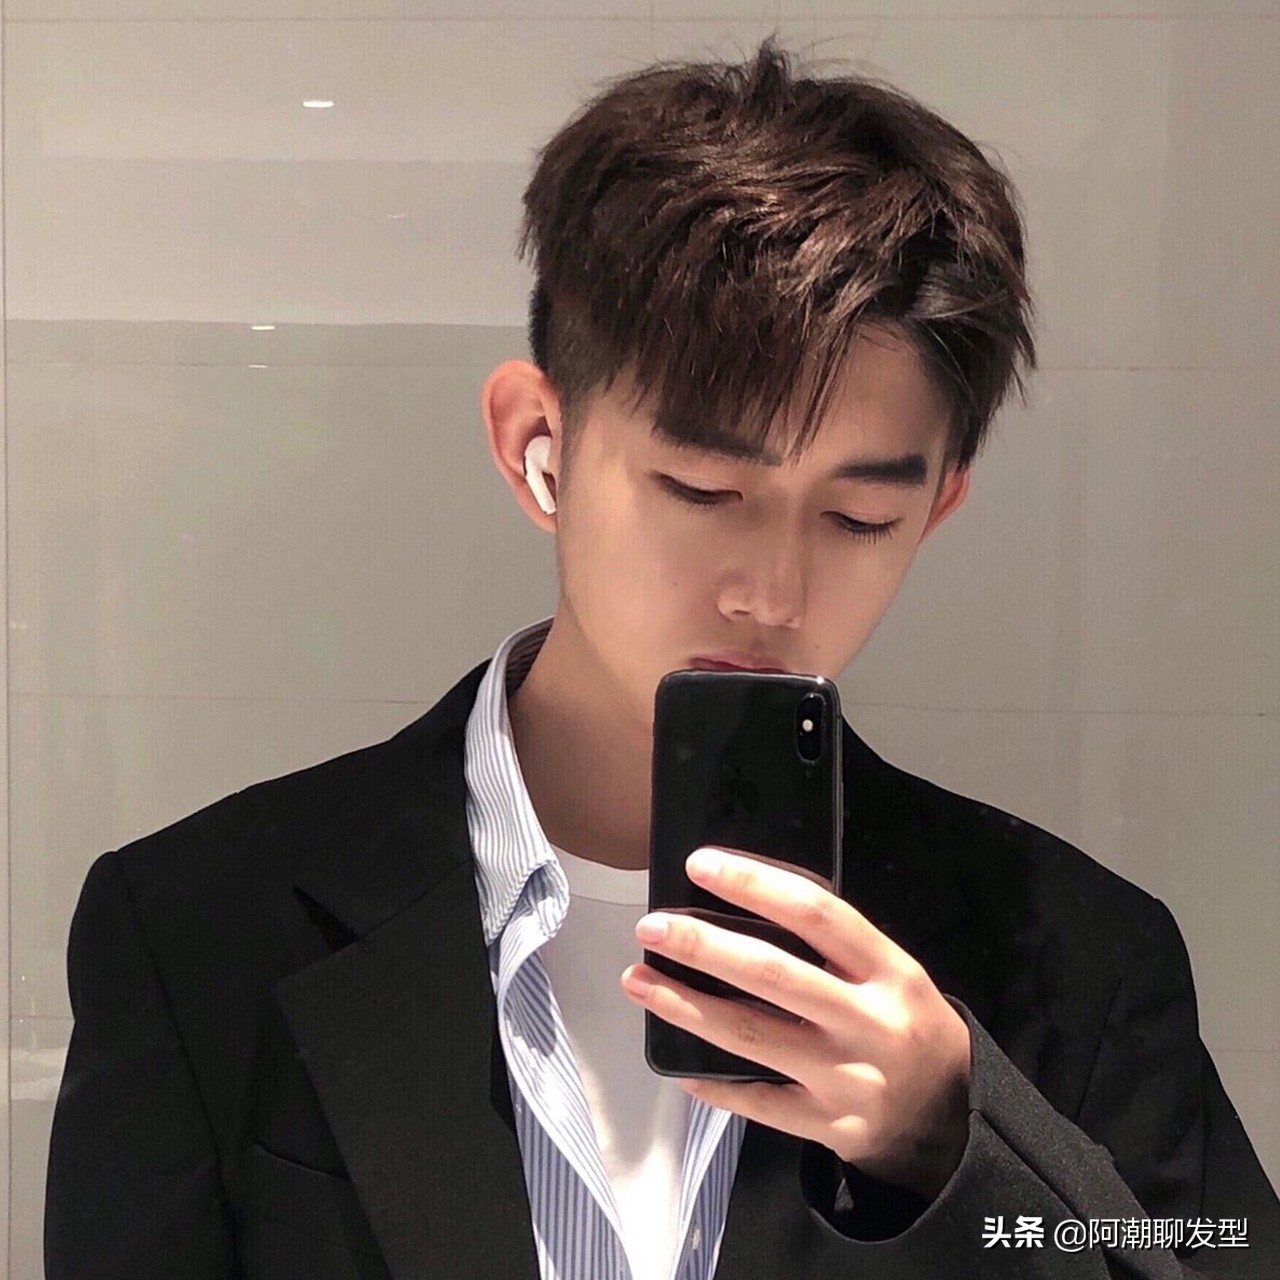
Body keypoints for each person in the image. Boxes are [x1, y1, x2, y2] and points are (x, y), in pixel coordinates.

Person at [44, 34, 1278, 1280]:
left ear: (935, 508)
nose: (770, 591)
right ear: (536, 443)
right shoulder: (199, 930)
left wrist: (951, 1139)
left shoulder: (1075, 957)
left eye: (858, 517)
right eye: (700, 489)